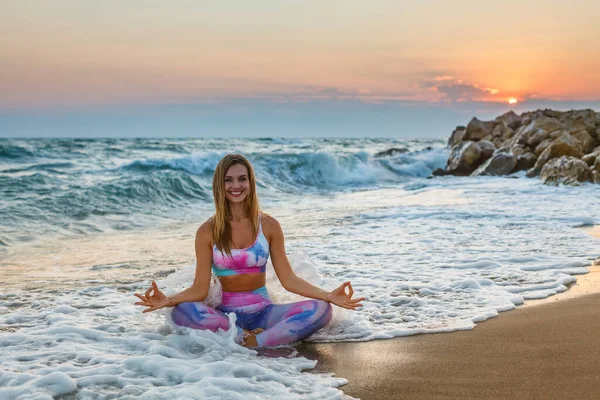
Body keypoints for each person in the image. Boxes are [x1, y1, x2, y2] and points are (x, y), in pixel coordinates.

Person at [134, 154, 365, 347]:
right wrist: (168, 300)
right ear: (219, 185)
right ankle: (246, 336)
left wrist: (328, 296)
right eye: (229, 180)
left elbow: (289, 279)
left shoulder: (269, 226)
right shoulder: (207, 231)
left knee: (321, 310)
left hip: (264, 313)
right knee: (183, 312)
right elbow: (200, 288)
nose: (236, 186)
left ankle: (255, 341)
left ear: (251, 183)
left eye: (242, 179)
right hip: (225, 317)